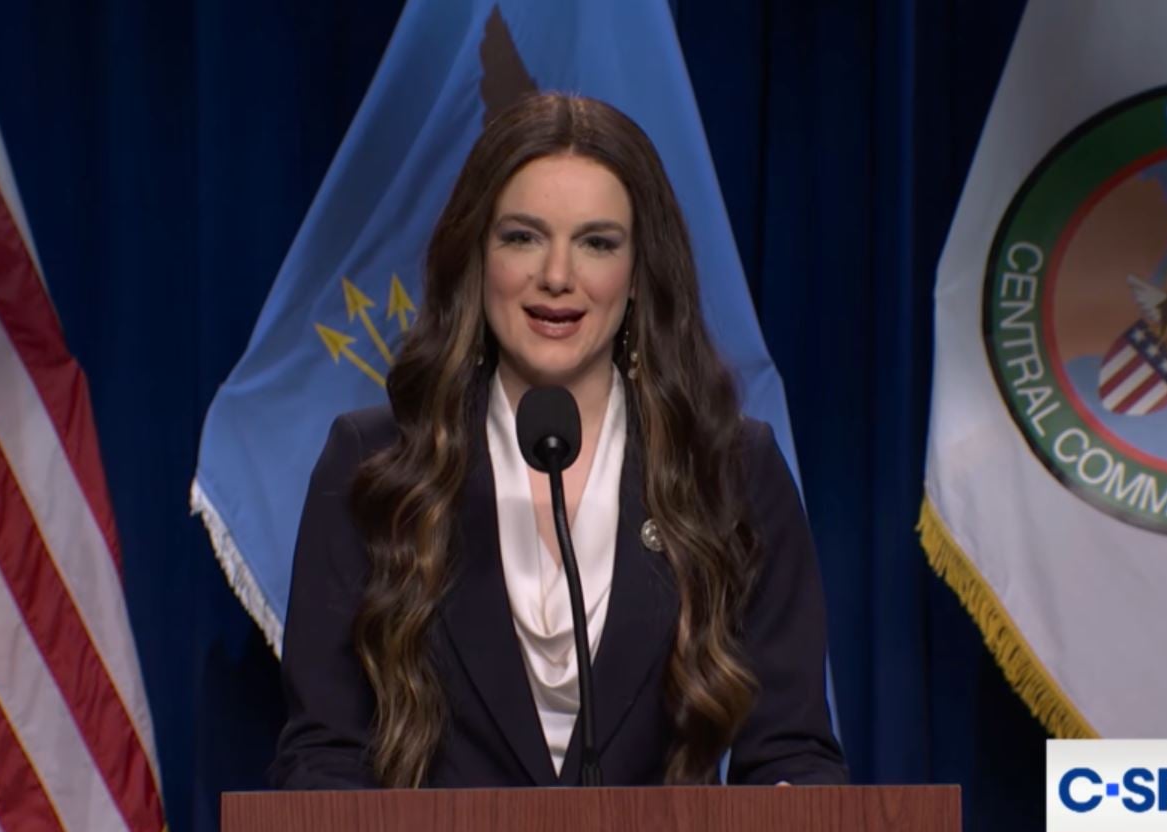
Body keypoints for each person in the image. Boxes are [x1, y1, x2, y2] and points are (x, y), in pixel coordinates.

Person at [270, 92, 846, 789]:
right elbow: (323, 758)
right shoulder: (375, 466)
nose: (557, 276)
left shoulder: (729, 470)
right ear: (478, 256)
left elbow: (792, 755)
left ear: (638, 274)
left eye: (597, 243)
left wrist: (791, 815)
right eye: (523, 237)